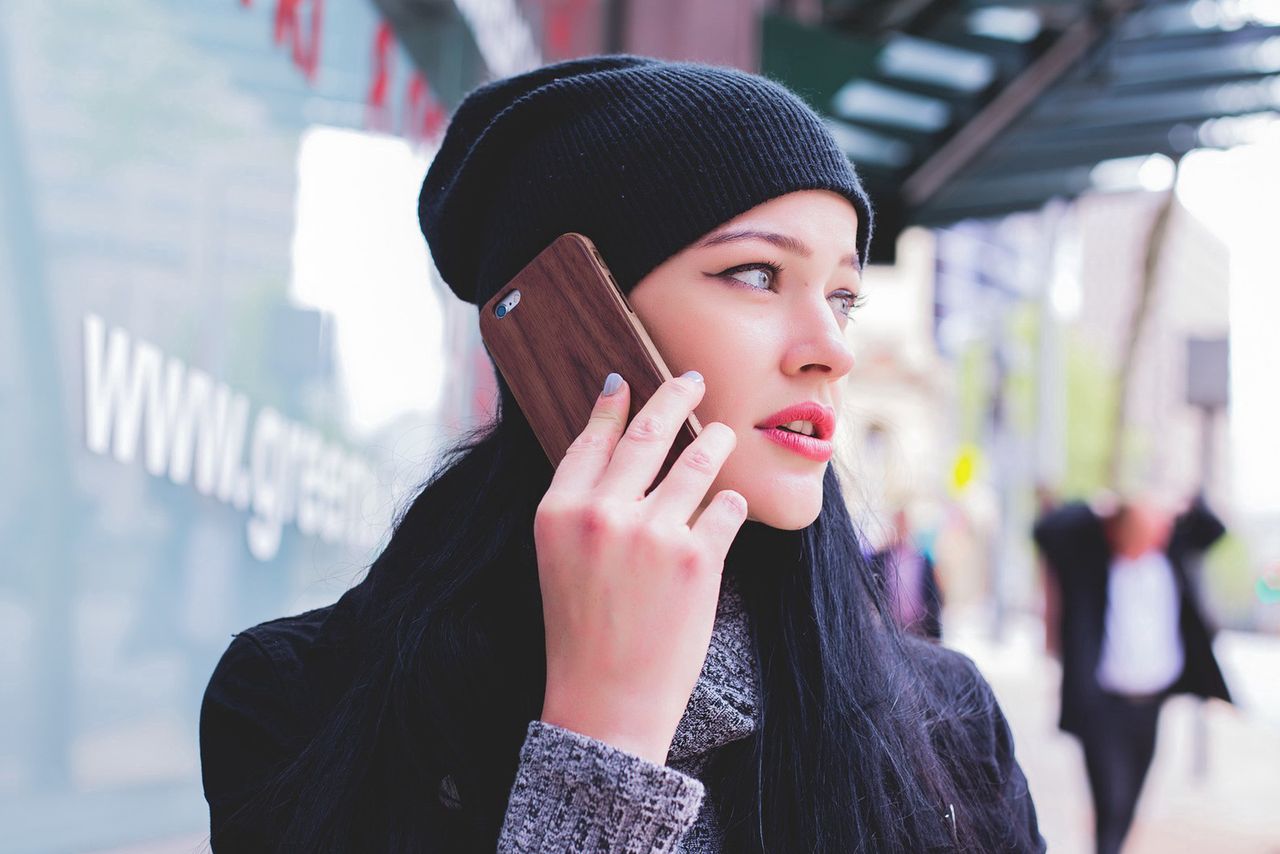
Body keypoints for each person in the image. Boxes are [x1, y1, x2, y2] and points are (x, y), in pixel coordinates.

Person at [200, 55, 1044, 853]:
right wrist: (601, 745)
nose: (832, 349)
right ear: (576, 321)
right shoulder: (303, 701)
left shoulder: (944, 720)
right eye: (755, 274)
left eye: (842, 297)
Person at [1033, 491, 1231, 854]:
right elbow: (1045, 530)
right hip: (1103, 706)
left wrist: (1183, 501)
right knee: (1112, 798)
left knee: (1131, 800)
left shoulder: (1171, 555)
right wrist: (1095, 507)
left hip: (1151, 703)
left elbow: (1215, 528)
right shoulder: (1090, 560)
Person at [870, 506, 943, 639]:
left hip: (919, 629)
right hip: (890, 629)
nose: (902, 528)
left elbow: (934, 596)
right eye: (899, 523)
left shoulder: (922, 559)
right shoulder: (881, 558)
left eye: (905, 524)